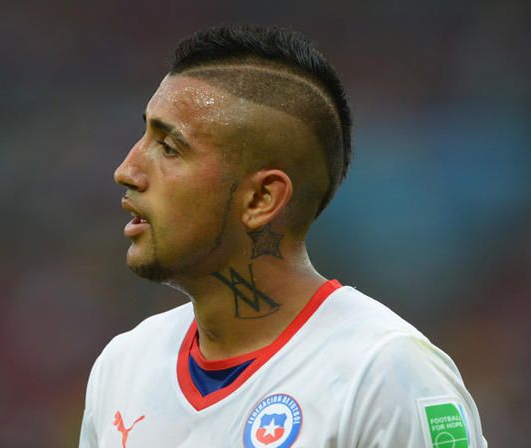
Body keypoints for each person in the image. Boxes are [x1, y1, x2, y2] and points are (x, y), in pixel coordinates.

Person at [79, 25, 486, 448]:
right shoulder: (123, 366)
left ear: (261, 198)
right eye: (144, 135)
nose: (126, 170)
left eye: (168, 148)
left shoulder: (386, 374)